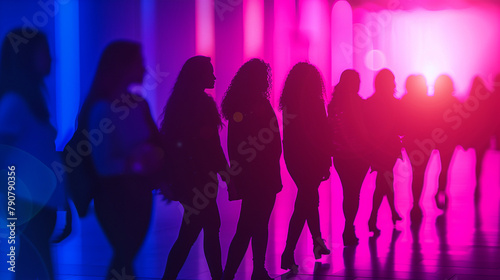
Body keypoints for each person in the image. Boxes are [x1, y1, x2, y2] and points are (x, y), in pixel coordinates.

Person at [77, 41, 162, 279]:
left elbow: (157, 142)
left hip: (140, 193)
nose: (145, 70)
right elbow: (103, 164)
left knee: (126, 256)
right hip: (114, 196)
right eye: (140, 63)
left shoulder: (139, 104)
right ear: (123, 67)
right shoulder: (102, 109)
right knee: (125, 255)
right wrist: (138, 162)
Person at [0, 29, 71, 280]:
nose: (51, 58)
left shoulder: (30, 100)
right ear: (26, 56)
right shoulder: (15, 103)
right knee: (35, 268)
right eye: (44, 52)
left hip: (37, 202)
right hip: (27, 203)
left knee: (33, 266)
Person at [160, 56, 227, 280]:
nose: (214, 76)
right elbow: (212, 146)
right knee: (203, 229)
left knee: (195, 230)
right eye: (210, 72)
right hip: (203, 179)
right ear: (199, 76)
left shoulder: (178, 104)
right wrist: (226, 173)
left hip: (189, 179)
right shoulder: (204, 105)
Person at [221, 59, 282, 280]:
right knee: (256, 226)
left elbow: (234, 147)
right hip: (263, 176)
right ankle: (252, 271)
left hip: (250, 176)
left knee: (247, 225)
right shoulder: (260, 105)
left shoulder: (238, 107)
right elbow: (274, 141)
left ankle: (239, 272)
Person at [280, 62, 332, 271]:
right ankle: (289, 251)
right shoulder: (316, 103)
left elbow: (291, 136)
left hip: (295, 158)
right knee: (306, 202)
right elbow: (323, 133)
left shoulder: (289, 105)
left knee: (308, 199)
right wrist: (326, 160)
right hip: (312, 158)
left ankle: (317, 243)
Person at [328, 69, 370, 246]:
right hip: (358, 155)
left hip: (340, 155)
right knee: (354, 192)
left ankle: (348, 226)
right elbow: (363, 129)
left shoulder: (333, 104)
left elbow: (330, 130)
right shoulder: (360, 103)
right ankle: (349, 226)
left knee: (348, 191)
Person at [365, 69, 402, 235]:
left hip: (377, 148)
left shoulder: (370, 102)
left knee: (384, 180)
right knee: (385, 180)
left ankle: (382, 215)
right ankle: (376, 217)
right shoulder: (394, 103)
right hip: (389, 147)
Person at [400, 75, 433, 222]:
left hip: (411, 141)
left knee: (415, 171)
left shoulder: (404, 101)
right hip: (426, 142)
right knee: (421, 173)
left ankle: (415, 204)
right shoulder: (428, 102)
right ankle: (416, 203)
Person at [432, 75, 460, 210]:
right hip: (450, 139)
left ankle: (439, 190)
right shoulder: (455, 102)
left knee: (427, 168)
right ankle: (441, 190)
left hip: (434, 138)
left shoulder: (433, 101)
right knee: (445, 167)